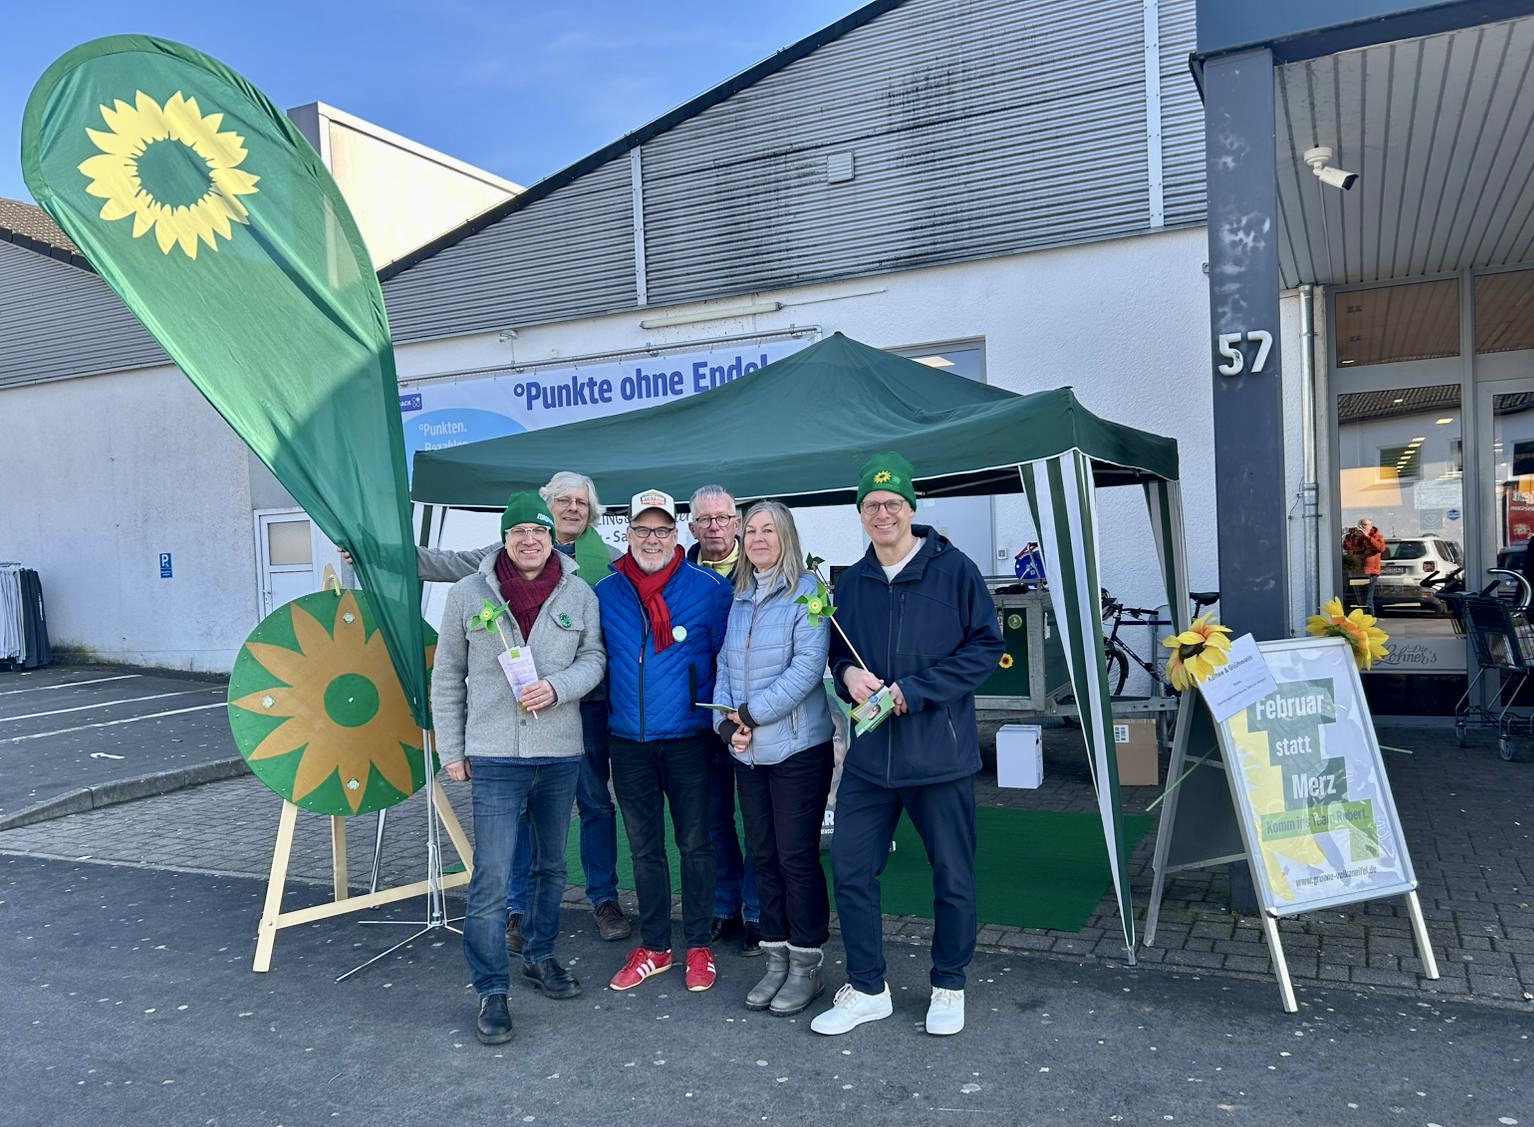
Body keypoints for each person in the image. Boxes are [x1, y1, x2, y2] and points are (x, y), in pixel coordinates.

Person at [810, 452, 1003, 1039]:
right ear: (861, 513)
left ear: (912, 508)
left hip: (938, 755)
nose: (883, 514)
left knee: (952, 873)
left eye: (893, 504)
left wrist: (912, 692)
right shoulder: (854, 579)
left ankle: (949, 983)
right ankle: (868, 987)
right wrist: (846, 676)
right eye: (872, 505)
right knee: (850, 871)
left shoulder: (955, 570)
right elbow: (839, 650)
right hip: (870, 760)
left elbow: (983, 649)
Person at [408, 472, 633, 951]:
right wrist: (378, 553)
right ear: (543, 509)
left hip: (583, 707)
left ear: (590, 512)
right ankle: (516, 907)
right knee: (520, 817)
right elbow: (442, 563)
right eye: (563, 501)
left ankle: (603, 898)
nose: (573, 508)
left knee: (594, 802)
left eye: (581, 502)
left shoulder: (613, 565)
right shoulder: (498, 561)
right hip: (506, 723)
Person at [432, 492, 606, 1045]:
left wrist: (558, 687)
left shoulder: (577, 592)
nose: (529, 540)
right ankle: (491, 989)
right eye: (518, 533)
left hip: (558, 752)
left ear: (551, 535)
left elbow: (595, 659)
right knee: (492, 877)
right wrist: (452, 752)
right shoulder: (467, 594)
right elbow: (447, 676)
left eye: (538, 530)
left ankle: (540, 956)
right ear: (504, 539)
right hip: (495, 756)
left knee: (551, 868)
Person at [597, 488, 734, 992]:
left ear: (677, 534)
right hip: (627, 740)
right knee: (644, 847)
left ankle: (698, 944)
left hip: (690, 740)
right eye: (641, 529)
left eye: (661, 529)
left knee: (696, 843)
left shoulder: (709, 589)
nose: (651, 539)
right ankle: (655, 946)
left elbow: (729, 662)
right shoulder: (605, 591)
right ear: (627, 533)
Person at [712, 501, 835, 1015]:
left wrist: (750, 715)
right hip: (750, 753)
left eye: (770, 530)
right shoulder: (741, 595)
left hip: (797, 748)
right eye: (753, 530)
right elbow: (723, 664)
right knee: (763, 855)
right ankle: (775, 959)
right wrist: (726, 725)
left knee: (796, 857)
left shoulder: (809, 592)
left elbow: (808, 667)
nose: (760, 538)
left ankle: (807, 964)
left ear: (786, 536)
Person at [685, 484, 762, 955]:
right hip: (700, 717)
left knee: (756, 819)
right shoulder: (679, 572)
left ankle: (755, 910)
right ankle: (723, 905)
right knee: (712, 819)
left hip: (752, 716)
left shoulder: (762, 566)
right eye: (704, 519)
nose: (714, 526)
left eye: (723, 517)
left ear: (736, 522)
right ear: (691, 526)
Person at [1342, 517, 1386, 613]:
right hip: (1357, 571)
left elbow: (1381, 548)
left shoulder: (1377, 536)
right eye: (1361, 525)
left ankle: (1370, 619)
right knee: (1352, 598)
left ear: (1370, 526)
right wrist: (1351, 535)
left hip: (1370, 571)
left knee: (1368, 599)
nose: (1362, 527)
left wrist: (1367, 537)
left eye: (1365, 525)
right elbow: (1347, 547)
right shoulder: (1355, 536)